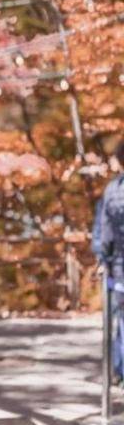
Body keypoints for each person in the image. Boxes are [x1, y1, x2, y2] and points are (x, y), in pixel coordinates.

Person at [93, 141, 124, 383]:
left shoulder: (114, 191)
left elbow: (105, 233)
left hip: (120, 267)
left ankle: (120, 371)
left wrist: (103, 258)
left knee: (121, 319)